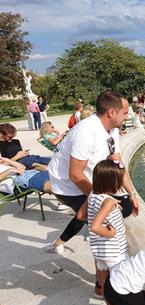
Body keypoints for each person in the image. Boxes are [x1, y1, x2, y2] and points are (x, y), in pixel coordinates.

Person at [44, 91, 139, 256]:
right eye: (124, 113)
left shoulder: (112, 129)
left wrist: (131, 192)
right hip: (66, 184)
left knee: (99, 210)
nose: (127, 116)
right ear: (111, 112)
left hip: (88, 177)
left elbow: (117, 161)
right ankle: (105, 262)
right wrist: (102, 198)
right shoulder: (86, 132)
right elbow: (75, 175)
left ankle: (58, 242)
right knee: (108, 213)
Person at [88, 159, 129, 305]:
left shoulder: (93, 195)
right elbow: (95, 226)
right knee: (119, 288)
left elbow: (82, 216)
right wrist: (110, 233)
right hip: (115, 252)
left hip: (99, 251)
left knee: (105, 284)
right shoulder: (108, 201)